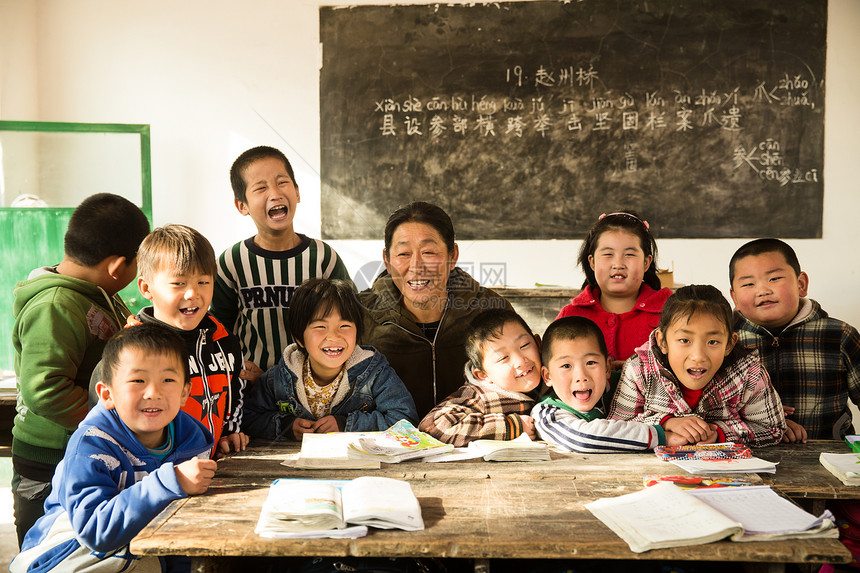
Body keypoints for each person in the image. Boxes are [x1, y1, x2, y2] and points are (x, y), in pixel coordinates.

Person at [10, 324, 216, 573]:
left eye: (168, 379)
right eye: (138, 380)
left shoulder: (191, 439)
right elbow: (95, 532)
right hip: (70, 556)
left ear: (185, 392)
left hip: (139, 558)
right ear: (107, 394)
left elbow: (182, 533)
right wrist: (169, 482)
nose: (153, 392)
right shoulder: (91, 445)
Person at [10, 192, 149, 547]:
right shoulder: (56, 304)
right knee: (50, 548)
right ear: (119, 267)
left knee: (86, 548)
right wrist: (108, 420)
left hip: (83, 449)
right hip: (49, 461)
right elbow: (46, 388)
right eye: (138, 265)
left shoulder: (99, 291)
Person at [91, 224, 249, 458]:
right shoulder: (129, 352)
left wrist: (230, 431)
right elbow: (105, 429)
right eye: (179, 283)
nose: (192, 293)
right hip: (149, 481)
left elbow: (236, 389)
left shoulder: (222, 339)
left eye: (203, 282)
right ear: (146, 288)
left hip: (210, 472)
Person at [360, 201, 513, 417]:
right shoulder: (360, 315)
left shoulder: (490, 310)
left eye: (429, 252)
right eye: (403, 254)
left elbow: (519, 383)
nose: (416, 266)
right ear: (387, 259)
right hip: (386, 444)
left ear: (453, 256)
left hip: (471, 441)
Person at [211, 145, 352, 375]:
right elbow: (219, 329)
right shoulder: (230, 263)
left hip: (316, 388)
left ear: (297, 192)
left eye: (282, 182)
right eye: (261, 188)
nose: (275, 193)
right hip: (253, 389)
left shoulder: (324, 258)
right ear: (242, 205)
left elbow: (350, 323)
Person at [608, 284, 786, 446]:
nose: (698, 356)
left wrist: (720, 434)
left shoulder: (750, 374)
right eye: (685, 340)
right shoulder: (639, 369)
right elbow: (615, 428)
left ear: (730, 344)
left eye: (713, 342)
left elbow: (773, 429)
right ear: (662, 341)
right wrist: (665, 423)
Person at [242, 278, 417, 440]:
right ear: (299, 337)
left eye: (344, 326)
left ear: (358, 332)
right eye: (320, 326)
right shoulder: (278, 378)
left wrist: (345, 424)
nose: (334, 336)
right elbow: (249, 417)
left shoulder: (374, 372)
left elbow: (404, 420)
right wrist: (287, 426)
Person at [730, 238, 860, 441]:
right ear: (734, 298)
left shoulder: (840, 336)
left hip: (828, 456)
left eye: (774, 279)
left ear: (801, 284)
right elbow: (710, 411)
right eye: (748, 284)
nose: (763, 290)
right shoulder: (725, 341)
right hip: (747, 458)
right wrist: (767, 421)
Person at [534, 316, 688, 453]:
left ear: (607, 367)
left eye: (591, 362)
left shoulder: (624, 384)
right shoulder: (546, 414)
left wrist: (669, 422)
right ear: (548, 376)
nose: (581, 376)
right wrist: (660, 435)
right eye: (566, 366)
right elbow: (584, 438)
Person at [556, 211, 672, 370]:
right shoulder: (570, 315)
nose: (618, 263)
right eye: (608, 254)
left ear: (646, 262)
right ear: (592, 262)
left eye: (629, 254)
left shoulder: (670, 313)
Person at [418, 309, 543, 446]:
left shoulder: (554, 374)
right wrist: (512, 426)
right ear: (483, 375)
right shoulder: (479, 396)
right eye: (503, 358)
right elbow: (432, 427)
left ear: (538, 343)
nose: (520, 361)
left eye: (524, 345)